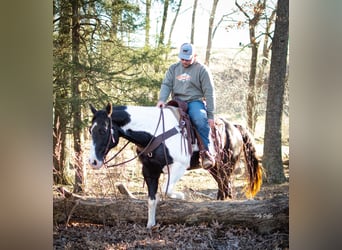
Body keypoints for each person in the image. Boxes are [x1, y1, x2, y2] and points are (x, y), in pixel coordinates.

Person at [156, 42, 216, 168]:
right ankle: (165, 154)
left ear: (194, 55)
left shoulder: (202, 70)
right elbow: (166, 84)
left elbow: (209, 92)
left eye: (187, 59)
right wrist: (162, 99)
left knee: (199, 119)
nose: (184, 61)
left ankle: (206, 152)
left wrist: (210, 115)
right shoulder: (173, 68)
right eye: (182, 58)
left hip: (195, 101)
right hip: (177, 101)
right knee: (164, 119)